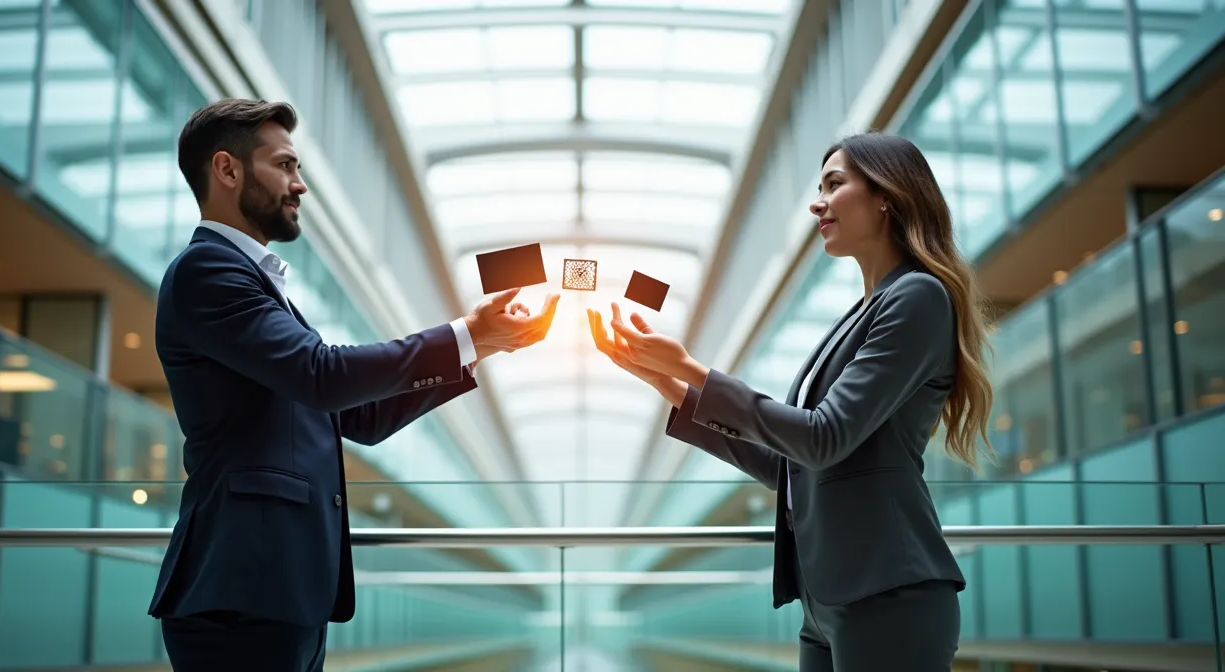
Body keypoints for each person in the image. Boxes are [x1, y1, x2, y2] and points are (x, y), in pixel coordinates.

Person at [147, 98, 560, 671]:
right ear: (228, 170)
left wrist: (483, 345)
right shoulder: (208, 271)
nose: (301, 185)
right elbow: (324, 376)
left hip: (280, 592)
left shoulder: (258, 286)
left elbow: (357, 418)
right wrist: (466, 331)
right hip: (239, 592)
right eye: (286, 166)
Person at [588, 132, 994, 671]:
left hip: (887, 593)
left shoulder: (917, 296)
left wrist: (688, 366)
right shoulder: (864, 310)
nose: (816, 202)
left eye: (834, 183)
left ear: (886, 196)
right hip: (828, 599)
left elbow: (823, 437)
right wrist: (662, 380)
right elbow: (792, 465)